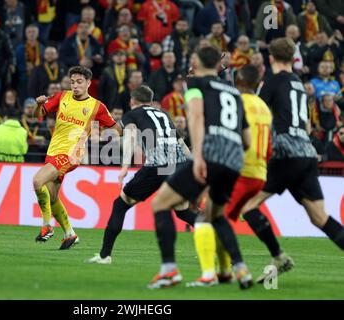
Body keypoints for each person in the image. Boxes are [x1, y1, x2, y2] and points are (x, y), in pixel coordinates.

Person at [147, 46, 253, 290]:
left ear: (195, 60)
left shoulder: (196, 85)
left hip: (210, 155)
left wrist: (199, 157)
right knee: (215, 215)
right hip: (234, 159)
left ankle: (169, 270)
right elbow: (247, 139)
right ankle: (240, 268)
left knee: (160, 203)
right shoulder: (234, 92)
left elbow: (195, 117)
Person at [241, 38, 344, 283]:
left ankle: (279, 257)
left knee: (248, 206)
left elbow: (257, 115)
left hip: (285, 154)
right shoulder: (299, 83)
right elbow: (307, 123)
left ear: (271, 58)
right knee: (319, 217)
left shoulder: (271, 82)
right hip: (306, 153)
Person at [86, 85, 194, 265]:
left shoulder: (132, 114)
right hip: (179, 164)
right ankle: (223, 249)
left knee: (120, 205)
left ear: (132, 101)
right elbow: (180, 143)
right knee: (183, 212)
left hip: (156, 165)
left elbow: (129, 139)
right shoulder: (164, 114)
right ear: (151, 101)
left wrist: (124, 168)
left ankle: (105, 256)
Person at [190, 64, 274, 286]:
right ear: (258, 83)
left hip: (238, 169)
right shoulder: (264, 107)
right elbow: (268, 147)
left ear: (238, 81)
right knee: (219, 219)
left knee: (204, 220)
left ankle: (211, 274)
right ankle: (225, 271)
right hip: (259, 173)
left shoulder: (238, 101)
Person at [33, 66, 122, 250]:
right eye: (73, 82)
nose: (75, 85)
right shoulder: (61, 96)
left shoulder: (97, 106)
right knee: (51, 197)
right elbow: (39, 116)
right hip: (54, 151)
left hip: (72, 154)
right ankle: (69, 233)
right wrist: (39, 105)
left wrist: (107, 130)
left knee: (37, 181)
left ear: (89, 83)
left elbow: (116, 129)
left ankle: (47, 225)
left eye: (79, 82)